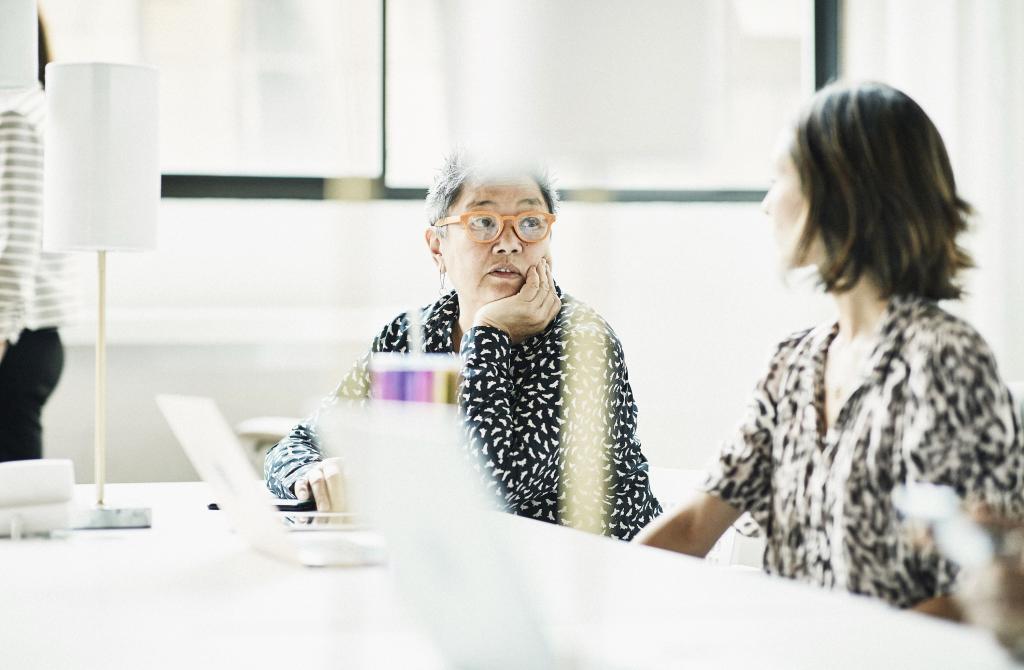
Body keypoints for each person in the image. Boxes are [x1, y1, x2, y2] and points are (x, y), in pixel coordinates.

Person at [636, 81, 1024, 614]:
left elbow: (991, 587)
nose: (767, 204)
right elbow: (697, 524)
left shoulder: (944, 359)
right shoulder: (791, 362)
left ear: (840, 192)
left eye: (781, 178)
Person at [265, 154, 661, 540]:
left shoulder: (582, 340)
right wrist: (309, 476)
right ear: (437, 246)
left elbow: (495, 488)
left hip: (597, 576)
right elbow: (299, 444)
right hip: (458, 574)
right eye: (484, 222)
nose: (509, 243)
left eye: (530, 222)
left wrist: (488, 331)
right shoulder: (412, 336)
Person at [0, 16, 76, 462]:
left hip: (19, 338)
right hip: (22, 334)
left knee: (15, 503)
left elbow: (14, 249)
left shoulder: (14, 116)